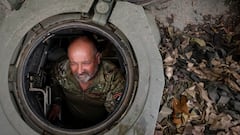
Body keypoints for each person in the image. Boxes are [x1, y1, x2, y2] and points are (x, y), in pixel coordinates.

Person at [48, 35, 125, 128]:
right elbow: (54, 82)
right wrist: (57, 103)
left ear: (98, 58)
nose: (80, 71)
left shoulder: (112, 77)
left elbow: (116, 113)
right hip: (71, 119)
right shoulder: (62, 69)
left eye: (86, 63)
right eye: (74, 63)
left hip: (101, 124)